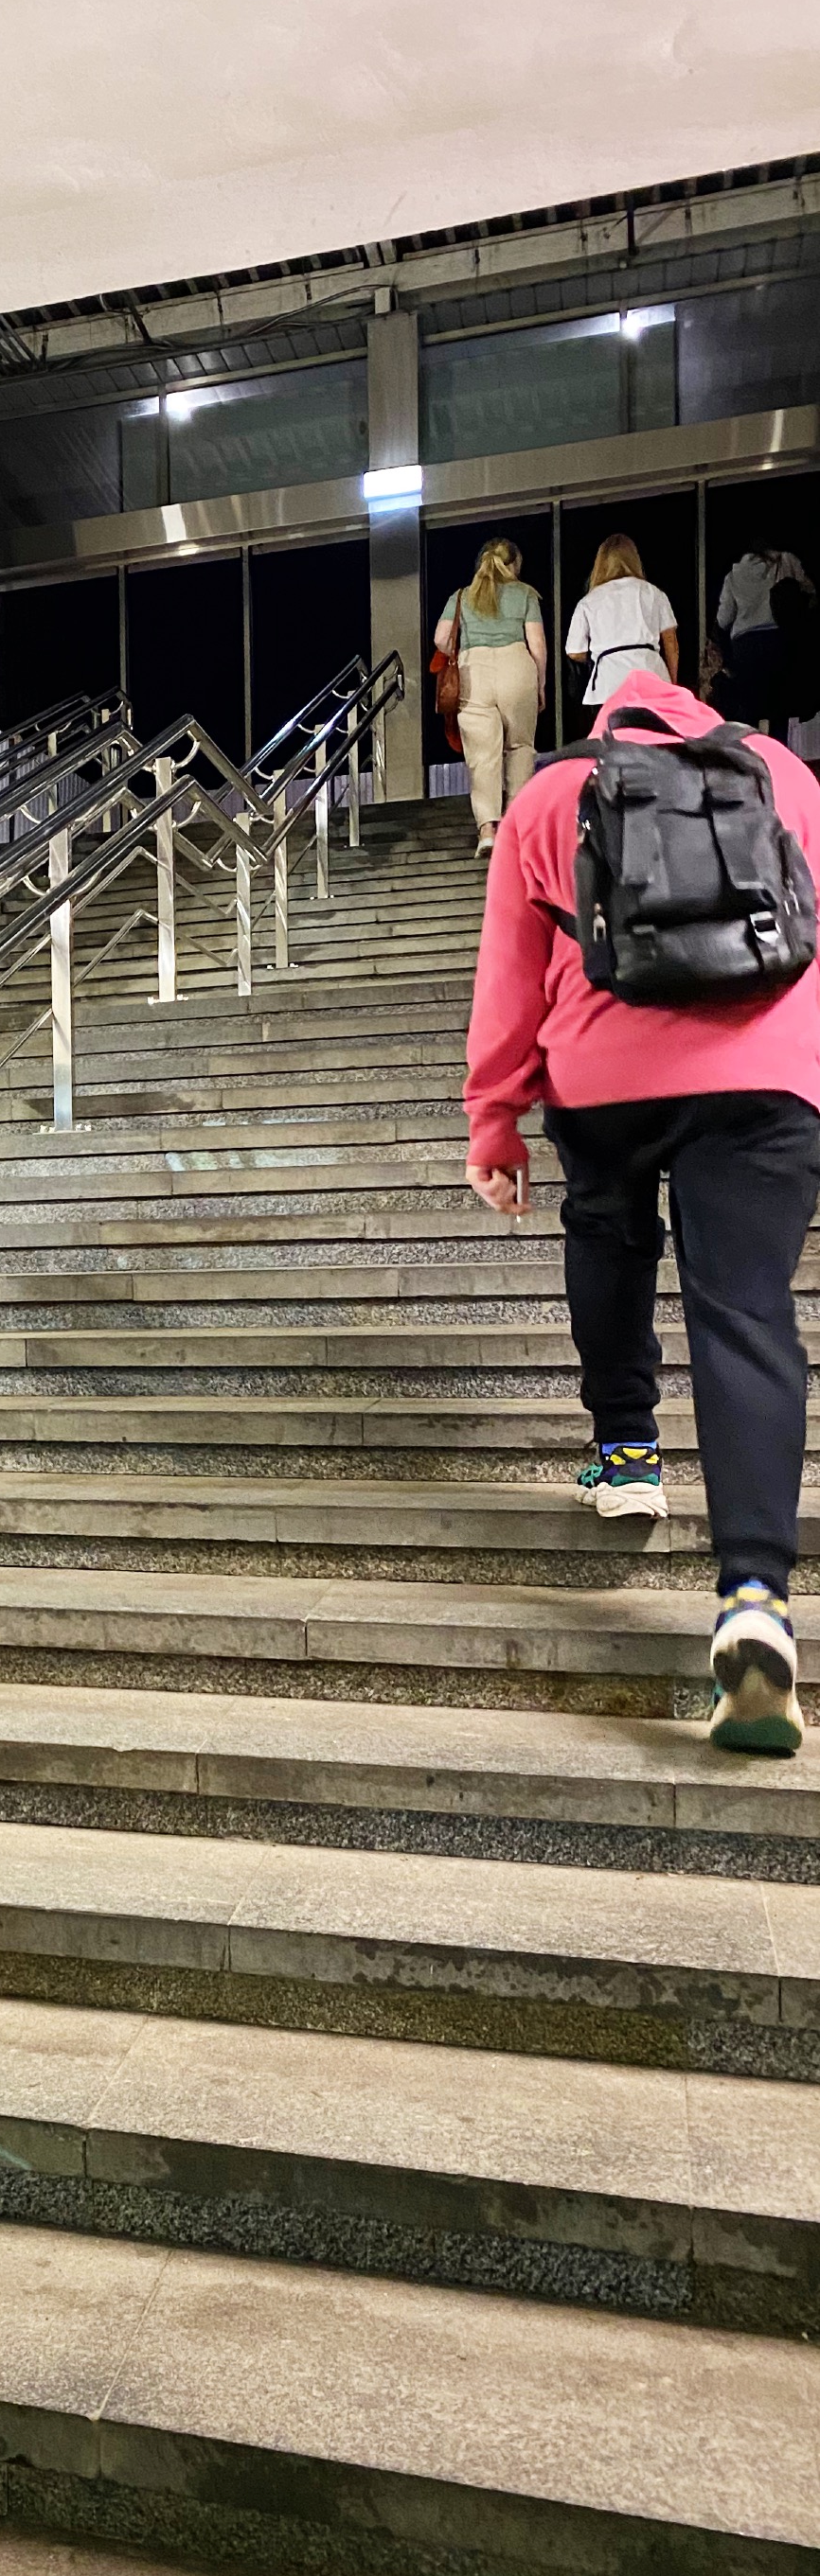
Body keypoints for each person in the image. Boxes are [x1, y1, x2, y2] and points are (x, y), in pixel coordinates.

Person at [462, 666, 820, 1756]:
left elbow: (509, 975)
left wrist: (494, 1119)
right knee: (746, 1310)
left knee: (608, 1237)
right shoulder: (785, 774)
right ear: (701, 711)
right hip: (764, 1075)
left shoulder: (548, 794)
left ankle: (625, 1452)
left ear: (602, 723)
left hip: (603, 1076)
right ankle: (754, 1598)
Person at [433, 537, 548, 856]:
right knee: (520, 747)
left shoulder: (462, 596)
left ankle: (487, 830)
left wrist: (463, 649)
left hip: (474, 671)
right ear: (514, 564)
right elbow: (537, 645)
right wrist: (540, 684)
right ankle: (516, 827)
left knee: (483, 754)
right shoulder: (525, 594)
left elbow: (441, 638)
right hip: (516, 666)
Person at [564, 534, 679, 708]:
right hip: (652, 677)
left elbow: (574, 651)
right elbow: (671, 643)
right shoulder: (654, 593)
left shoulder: (589, 601)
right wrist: (672, 682)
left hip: (608, 684)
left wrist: (599, 655)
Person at [716, 540, 813, 734]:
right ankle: (778, 750)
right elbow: (810, 592)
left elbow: (724, 619)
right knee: (780, 710)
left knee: (749, 711)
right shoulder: (787, 560)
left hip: (745, 645)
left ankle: (750, 751)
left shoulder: (734, 574)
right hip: (779, 640)